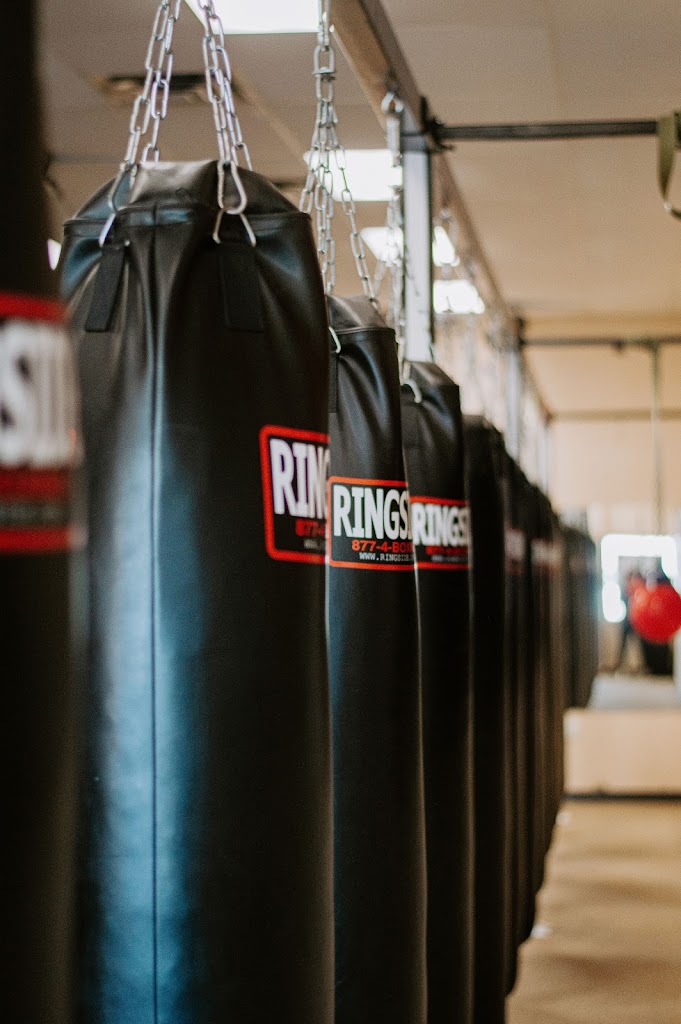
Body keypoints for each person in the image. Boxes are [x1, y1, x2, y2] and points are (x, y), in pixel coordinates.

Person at [615, 570, 645, 672]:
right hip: (628, 620)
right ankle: (620, 664)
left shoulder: (640, 589)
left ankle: (640, 665)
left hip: (637, 620)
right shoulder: (628, 589)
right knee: (623, 643)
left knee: (639, 644)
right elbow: (623, 600)